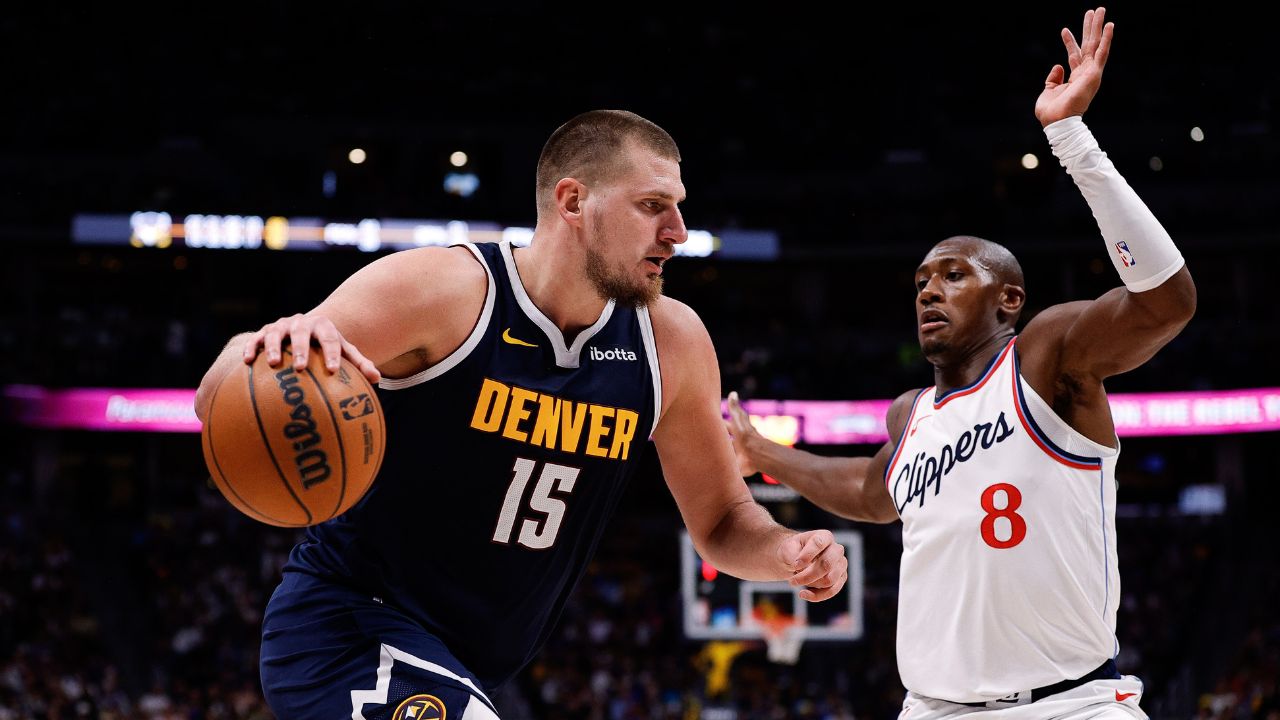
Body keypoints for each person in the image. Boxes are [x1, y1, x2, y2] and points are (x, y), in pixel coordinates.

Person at [194, 109, 848, 719]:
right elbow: (225, 394)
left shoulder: (671, 343)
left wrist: (784, 550)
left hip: (465, 663)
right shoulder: (443, 293)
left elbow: (723, 521)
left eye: (678, 207)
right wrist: (256, 351)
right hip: (347, 629)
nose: (676, 231)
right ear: (573, 203)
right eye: (652, 206)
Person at [725, 8, 1195, 719]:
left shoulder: (1046, 359)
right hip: (932, 709)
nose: (929, 290)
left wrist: (1072, 140)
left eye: (952, 275)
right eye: (920, 281)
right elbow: (868, 491)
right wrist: (764, 453)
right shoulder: (909, 414)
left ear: (1009, 297)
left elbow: (1166, 302)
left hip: (1069, 706)